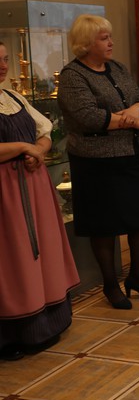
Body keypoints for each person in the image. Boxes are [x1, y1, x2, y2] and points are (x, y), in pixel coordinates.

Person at [58, 14, 139, 309]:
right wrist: (134, 122)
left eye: (110, 37)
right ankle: (110, 285)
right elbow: (89, 117)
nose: (111, 42)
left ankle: (137, 278)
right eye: (104, 38)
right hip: (95, 162)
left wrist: (134, 111)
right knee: (103, 226)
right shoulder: (72, 75)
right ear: (85, 43)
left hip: (130, 155)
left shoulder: (117, 67)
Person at [0, 42, 80, 360]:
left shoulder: (13, 97)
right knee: (13, 258)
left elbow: (44, 130)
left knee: (39, 251)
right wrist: (24, 147)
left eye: (5, 59)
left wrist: (40, 150)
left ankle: (45, 326)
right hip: (5, 191)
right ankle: (12, 334)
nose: (3, 66)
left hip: (32, 184)